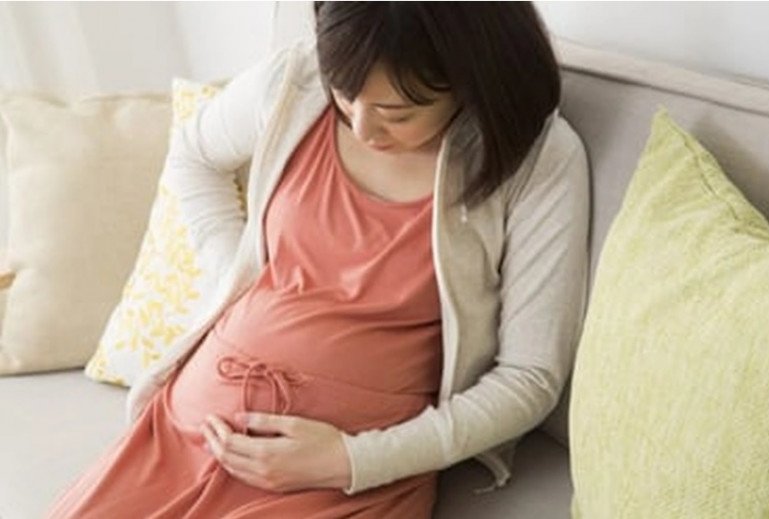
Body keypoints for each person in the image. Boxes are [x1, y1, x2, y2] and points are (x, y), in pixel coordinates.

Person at [47, 2, 589, 518]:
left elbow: (529, 377)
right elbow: (195, 155)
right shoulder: (298, 81)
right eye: (345, 96)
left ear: (472, 79)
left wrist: (351, 461)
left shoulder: (533, 159)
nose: (362, 128)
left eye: (397, 113)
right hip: (185, 435)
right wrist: (230, 277)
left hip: (339, 483)